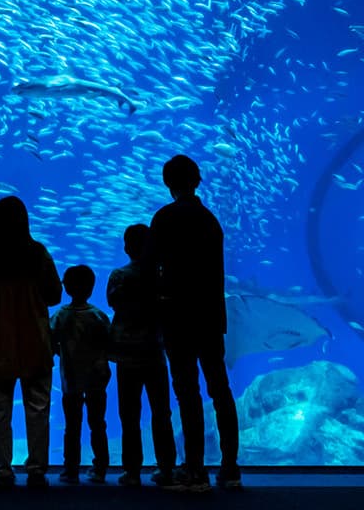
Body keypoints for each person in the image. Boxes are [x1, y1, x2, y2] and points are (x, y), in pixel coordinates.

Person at [148, 154, 239, 492]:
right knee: (220, 390)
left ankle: (195, 469)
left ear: (167, 183)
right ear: (197, 181)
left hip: (177, 317)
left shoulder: (165, 218)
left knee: (187, 392)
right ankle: (230, 467)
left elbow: (150, 268)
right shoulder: (210, 221)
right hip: (210, 317)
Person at [0, 195, 62, 488]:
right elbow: (54, 295)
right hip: (35, 339)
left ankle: (2, 470)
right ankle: (36, 469)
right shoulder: (37, 254)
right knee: (37, 406)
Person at [107, 223, 177, 488]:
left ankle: (132, 471)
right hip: (155, 353)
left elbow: (114, 302)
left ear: (126, 247)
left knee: (129, 414)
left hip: (127, 356)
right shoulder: (159, 276)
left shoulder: (118, 276)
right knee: (161, 412)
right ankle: (167, 467)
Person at [51, 264, 111, 485]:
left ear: (66, 287)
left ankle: (71, 470)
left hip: (71, 380)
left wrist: (62, 352)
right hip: (97, 378)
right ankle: (100, 468)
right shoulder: (99, 316)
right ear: (92, 287)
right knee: (98, 423)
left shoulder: (60, 316)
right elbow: (109, 343)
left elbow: (51, 342)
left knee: (72, 426)